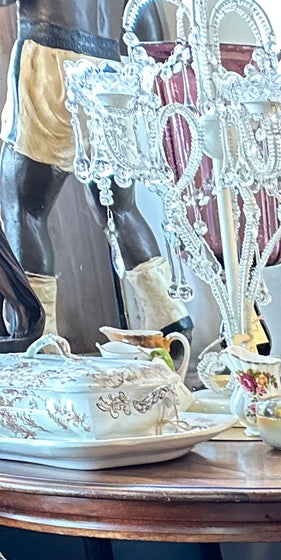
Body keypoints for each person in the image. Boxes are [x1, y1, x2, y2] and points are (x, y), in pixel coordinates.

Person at [0, 0, 186, 339]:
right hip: (111, 73)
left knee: (24, 206)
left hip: (50, 58)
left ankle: (39, 339)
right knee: (120, 207)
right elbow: (150, 32)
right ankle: (168, 316)